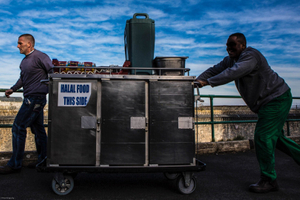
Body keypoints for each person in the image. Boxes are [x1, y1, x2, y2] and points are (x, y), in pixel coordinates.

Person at [196, 33, 300, 193]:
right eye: (227, 45)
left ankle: (269, 180)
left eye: (232, 46)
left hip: (276, 99)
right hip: (269, 102)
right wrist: (196, 81)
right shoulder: (230, 60)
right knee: (277, 139)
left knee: (263, 136)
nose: (229, 49)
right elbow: (215, 70)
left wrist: (208, 82)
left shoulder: (250, 56)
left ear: (242, 46)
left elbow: (233, 72)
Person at [0, 34, 53, 174]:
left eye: (20, 43)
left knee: (18, 127)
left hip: (35, 99)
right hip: (30, 98)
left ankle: (15, 164)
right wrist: (13, 89)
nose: (18, 46)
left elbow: (52, 72)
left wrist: (46, 87)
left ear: (29, 44)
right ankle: (43, 161)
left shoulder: (41, 57)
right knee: (39, 130)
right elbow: (22, 79)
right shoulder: (24, 62)